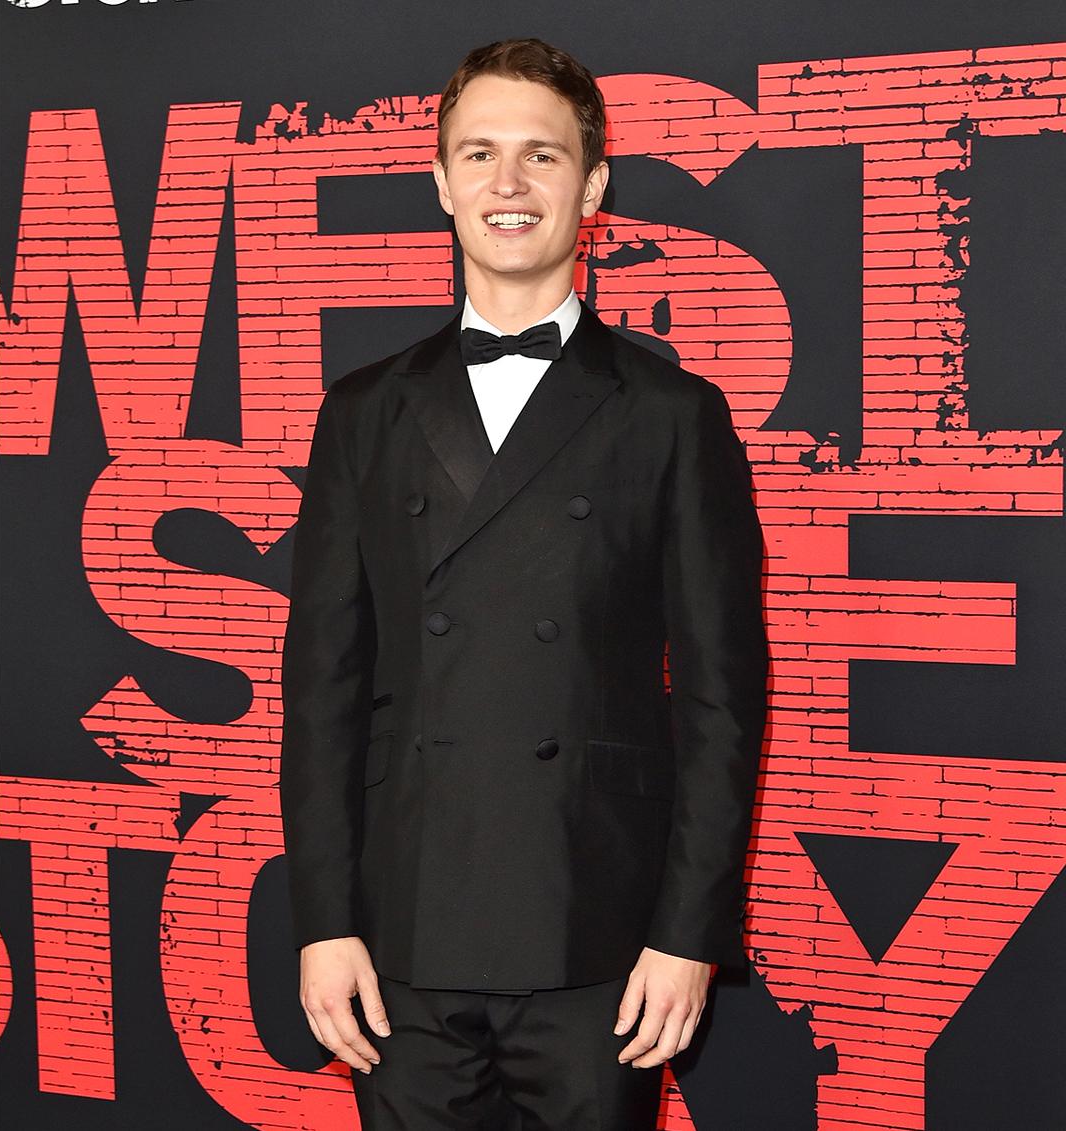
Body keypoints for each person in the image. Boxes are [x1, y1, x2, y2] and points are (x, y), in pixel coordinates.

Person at [279, 37, 768, 1130]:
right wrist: (323, 923)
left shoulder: (672, 414)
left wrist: (688, 934)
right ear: (441, 182)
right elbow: (320, 692)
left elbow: (721, 702)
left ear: (591, 186)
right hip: (403, 935)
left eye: (542, 157)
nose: (510, 185)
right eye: (481, 154)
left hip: (598, 936)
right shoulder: (363, 413)